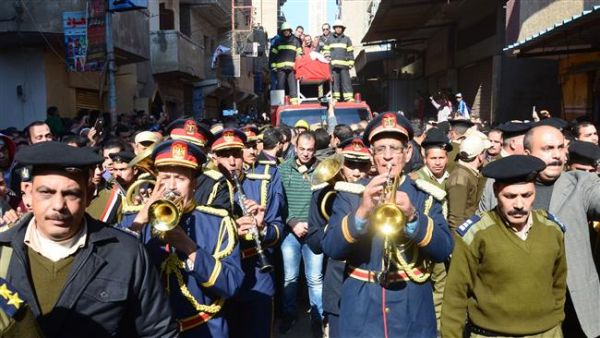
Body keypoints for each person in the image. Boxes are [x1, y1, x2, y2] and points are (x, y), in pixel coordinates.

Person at [1, 141, 177, 337]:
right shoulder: (2, 252)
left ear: (89, 195)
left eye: (71, 194)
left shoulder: (126, 253)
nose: (58, 205)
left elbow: (159, 332)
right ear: (27, 193)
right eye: (46, 193)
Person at [322, 112, 453, 337]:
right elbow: (332, 248)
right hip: (362, 307)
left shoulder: (425, 195)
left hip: (412, 307)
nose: (388, 157)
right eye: (380, 149)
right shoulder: (351, 194)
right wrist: (362, 210)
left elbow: (444, 250)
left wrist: (413, 216)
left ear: (408, 152)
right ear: (372, 155)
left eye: (395, 148)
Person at [478, 125, 600, 337]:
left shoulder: (581, 184)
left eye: (561, 148)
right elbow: (478, 235)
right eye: (548, 148)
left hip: (573, 305)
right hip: (516, 306)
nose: (556, 155)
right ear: (527, 153)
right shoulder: (496, 185)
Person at [442, 155, 566, 337]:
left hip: (547, 333)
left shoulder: (552, 229)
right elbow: (455, 296)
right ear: (496, 192)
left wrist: (553, 320)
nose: (519, 204)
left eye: (526, 195)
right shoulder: (476, 234)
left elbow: (559, 282)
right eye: (510, 196)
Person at [132, 139, 244, 337]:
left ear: (194, 184)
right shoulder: (136, 219)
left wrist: (189, 247)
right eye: (165, 178)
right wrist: (140, 219)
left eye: (180, 178)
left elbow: (231, 285)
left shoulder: (218, 222)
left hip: (203, 330)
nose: (172, 187)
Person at [209, 129, 285, 338]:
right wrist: (232, 228)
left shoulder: (261, 181)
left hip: (256, 274)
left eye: (236, 153)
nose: (232, 161)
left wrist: (261, 228)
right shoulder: (204, 186)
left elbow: (278, 228)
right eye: (225, 155)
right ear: (214, 157)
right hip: (218, 277)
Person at [306, 137, 371, 338]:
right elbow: (314, 242)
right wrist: (332, 232)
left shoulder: (377, 192)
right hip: (337, 283)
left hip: (370, 285)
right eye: (351, 165)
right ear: (341, 166)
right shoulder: (323, 195)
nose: (357, 172)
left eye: (363, 165)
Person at [278, 131, 323, 334]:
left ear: (315, 149)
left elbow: (325, 202)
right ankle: (289, 316)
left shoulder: (323, 169)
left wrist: (314, 225)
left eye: (310, 150)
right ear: (295, 148)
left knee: (314, 279)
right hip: (290, 232)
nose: (306, 153)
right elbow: (279, 203)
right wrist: (293, 222)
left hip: (314, 232)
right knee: (290, 278)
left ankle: (318, 319)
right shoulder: (283, 169)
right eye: (302, 149)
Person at [446, 131, 490, 231]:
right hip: (463, 237)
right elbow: (455, 220)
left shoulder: (470, 173)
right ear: (479, 156)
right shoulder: (460, 179)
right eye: (485, 152)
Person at [270, 22, 302, 103]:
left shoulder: (295, 41)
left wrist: (298, 64)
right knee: (280, 86)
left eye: (287, 30)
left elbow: (300, 53)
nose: (286, 32)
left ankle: (294, 102)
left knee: (293, 86)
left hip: (292, 68)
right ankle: (280, 103)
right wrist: (273, 66)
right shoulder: (278, 41)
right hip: (280, 68)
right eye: (284, 31)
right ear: (282, 31)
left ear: (290, 31)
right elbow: (273, 55)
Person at [323, 20, 354, 102]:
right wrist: (327, 57)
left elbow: (350, 52)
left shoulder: (347, 39)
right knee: (335, 83)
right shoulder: (330, 39)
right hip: (333, 65)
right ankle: (336, 98)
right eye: (337, 27)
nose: (338, 29)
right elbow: (325, 50)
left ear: (342, 29)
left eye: (340, 27)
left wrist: (351, 63)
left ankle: (348, 98)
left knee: (346, 82)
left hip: (344, 65)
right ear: (334, 28)